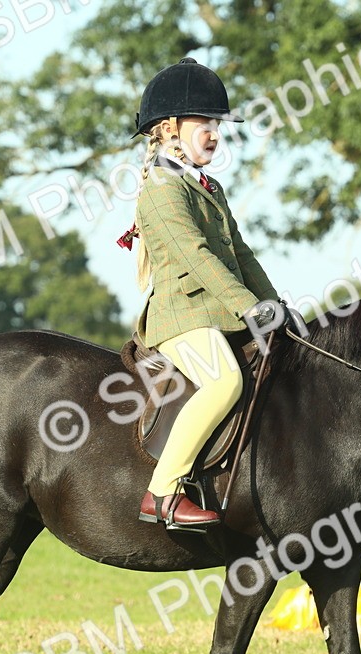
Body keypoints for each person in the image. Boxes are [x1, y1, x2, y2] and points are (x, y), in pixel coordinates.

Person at [122, 58, 284, 530]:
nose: (214, 134)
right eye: (205, 124)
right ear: (169, 128)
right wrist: (249, 307)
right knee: (224, 382)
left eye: (217, 125)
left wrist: (274, 304)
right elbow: (197, 257)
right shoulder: (161, 189)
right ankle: (162, 492)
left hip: (218, 312)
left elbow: (242, 254)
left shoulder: (208, 187)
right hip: (183, 316)